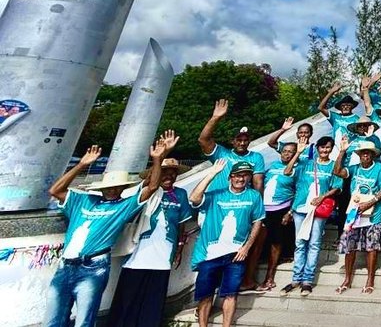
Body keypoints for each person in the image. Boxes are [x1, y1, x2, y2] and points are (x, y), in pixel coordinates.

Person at [44, 142, 163, 327]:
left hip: (93, 267)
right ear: (102, 187)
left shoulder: (124, 206)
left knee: (84, 321)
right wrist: (82, 164)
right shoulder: (83, 200)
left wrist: (157, 159)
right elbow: (55, 191)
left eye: (117, 187)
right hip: (65, 265)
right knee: (53, 320)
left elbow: (153, 187)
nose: (112, 190)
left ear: (123, 188)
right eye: (109, 186)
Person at [108, 131, 191, 327]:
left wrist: (179, 247)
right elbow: (151, 185)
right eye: (165, 172)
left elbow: (181, 223)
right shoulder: (147, 191)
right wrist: (160, 157)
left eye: (173, 173)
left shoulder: (180, 195)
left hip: (162, 259)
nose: (169, 176)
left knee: (152, 307)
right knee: (127, 305)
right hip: (137, 257)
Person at [190, 160, 265, 327]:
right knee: (206, 295)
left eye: (245, 175)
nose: (241, 178)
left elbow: (257, 222)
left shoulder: (254, 196)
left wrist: (247, 247)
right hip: (209, 254)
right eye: (237, 175)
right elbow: (194, 198)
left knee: (231, 294)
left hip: (236, 254)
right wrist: (212, 173)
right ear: (230, 177)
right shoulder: (217, 194)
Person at [282, 136, 341, 296]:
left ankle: (307, 280)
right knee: (300, 243)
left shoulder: (333, 166)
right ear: (317, 149)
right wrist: (298, 153)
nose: (324, 150)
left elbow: (337, 187)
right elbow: (287, 172)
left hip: (318, 210)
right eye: (322, 147)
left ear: (331, 149)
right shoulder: (306, 163)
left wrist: (323, 196)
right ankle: (296, 279)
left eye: (328, 147)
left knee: (314, 244)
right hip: (300, 208)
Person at [334, 137, 381, 295]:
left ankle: (370, 279)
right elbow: (337, 171)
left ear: (373, 155)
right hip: (355, 212)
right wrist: (342, 151)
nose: (365, 155)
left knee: (371, 248)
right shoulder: (355, 168)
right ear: (359, 155)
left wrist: (370, 203)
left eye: (368, 153)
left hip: (373, 213)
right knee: (350, 247)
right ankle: (347, 279)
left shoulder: (379, 168)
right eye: (363, 153)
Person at [198, 99, 265, 193]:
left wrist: (259, 204)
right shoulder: (221, 153)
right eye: (239, 140)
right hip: (215, 198)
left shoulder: (256, 157)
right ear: (231, 141)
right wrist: (215, 118)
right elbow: (203, 140)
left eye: (245, 140)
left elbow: (258, 183)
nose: (242, 143)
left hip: (240, 200)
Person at [257, 139, 297, 292]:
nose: (286, 154)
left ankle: (270, 277)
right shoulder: (273, 165)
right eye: (285, 151)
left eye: (290, 152)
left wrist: (290, 211)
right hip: (263, 209)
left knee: (276, 242)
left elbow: (299, 191)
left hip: (280, 209)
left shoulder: (296, 169)